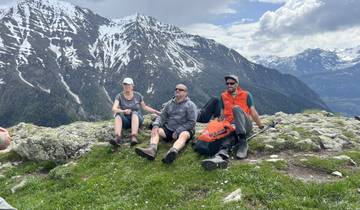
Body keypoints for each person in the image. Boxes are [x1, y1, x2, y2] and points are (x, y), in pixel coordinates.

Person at [200, 74, 264, 170]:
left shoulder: (246, 94)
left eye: (232, 83)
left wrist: (260, 125)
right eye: (227, 83)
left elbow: (253, 111)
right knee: (229, 132)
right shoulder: (223, 96)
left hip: (245, 124)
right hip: (231, 125)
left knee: (236, 109)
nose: (229, 85)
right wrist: (219, 124)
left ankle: (243, 142)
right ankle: (220, 156)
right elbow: (222, 113)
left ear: (237, 84)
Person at [135, 84, 197, 164]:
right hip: (169, 129)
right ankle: (152, 150)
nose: (177, 90)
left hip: (184, 129)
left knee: (184, 135)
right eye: (176, 89)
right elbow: (162, 116)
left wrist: (178, 131)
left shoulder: (190, 105)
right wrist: (156, 125)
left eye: (180, 89)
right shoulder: (170, 103)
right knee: (156, 130)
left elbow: (192, 122)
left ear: (185, 93)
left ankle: (173, 151)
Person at [110, 77, 161, 147]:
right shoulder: (119, 96)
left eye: (128, 85)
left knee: (134, 112)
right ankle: (117, 137)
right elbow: (114, 109)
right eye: (124, 84)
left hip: (137, 119)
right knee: (118, 114)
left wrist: (155, 112)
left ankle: (133, 137)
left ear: (132, 86)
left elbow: (144, 107)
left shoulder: (138, 95)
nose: (126, 86)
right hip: (126, 121)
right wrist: (123, 111)